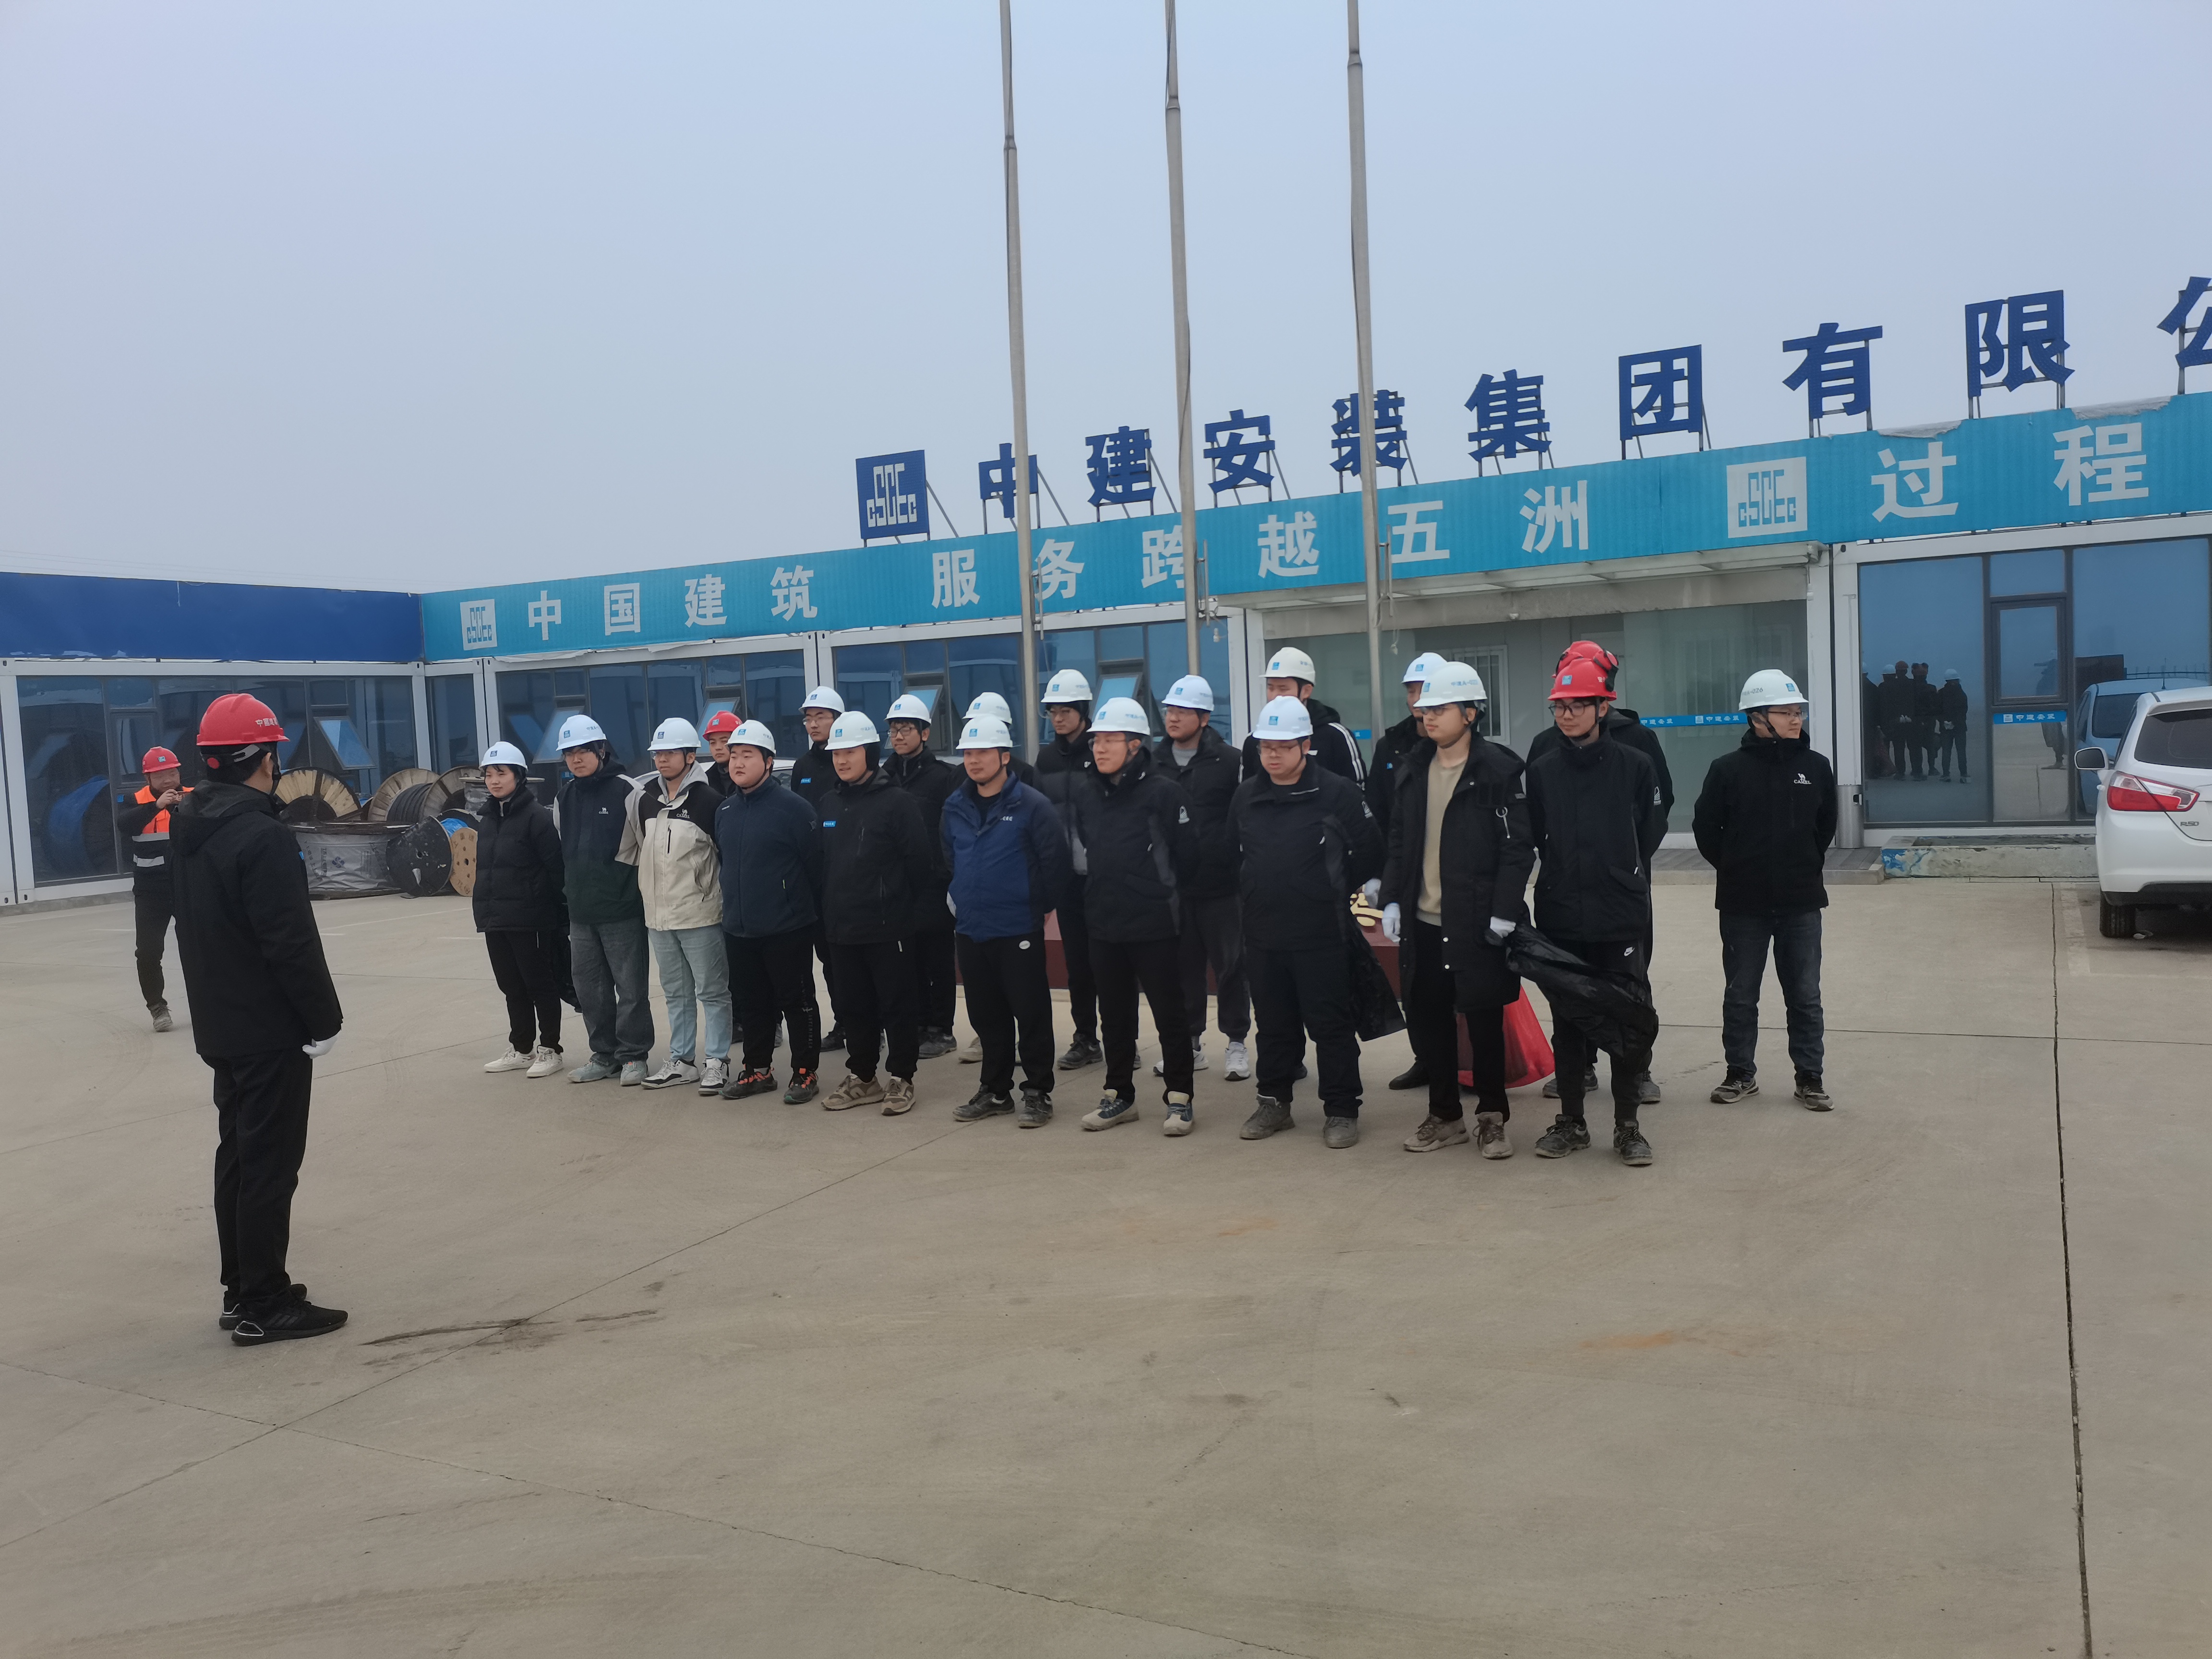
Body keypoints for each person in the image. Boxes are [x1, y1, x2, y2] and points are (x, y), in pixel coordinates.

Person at [168, 692, 347, 1345]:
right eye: (273, 753)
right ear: (261, 758)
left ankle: (242, 1288)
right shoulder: (262, 836)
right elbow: (289, 942)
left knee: (240, 1158)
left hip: (221, 1022)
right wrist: (324, 1019)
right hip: (269, 1028)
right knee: (270, 1165)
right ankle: (265, 1303)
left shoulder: (190, 826)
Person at [1374, 662, 1535, 1158]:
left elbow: (1517, 848)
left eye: (1440, 709)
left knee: (1484, 1022)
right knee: (1430, 1023)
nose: (1428, 717)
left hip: (1477, 922)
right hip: (1423, 923)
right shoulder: (1413, 769)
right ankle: (1445, 1117)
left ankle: (1492, 1118)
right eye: (1425, 709)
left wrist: (1504, 911)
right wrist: (1393, 898)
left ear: (1470, 713)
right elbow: (1399, 841)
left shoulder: (1499, 770)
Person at [1524, 661, 1669, 1167]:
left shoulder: (1635, 765)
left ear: (1603, 707)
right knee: (1568, 1022)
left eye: (1578, 705)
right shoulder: (1542, 770)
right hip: (1562, 911)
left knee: (1626, 1018)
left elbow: (1650, 830)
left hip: (1619, 912)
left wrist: (1619, 872)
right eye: (1560, 707)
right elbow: (1536, 834)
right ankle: (1572, 1122)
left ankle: (1628, 1126)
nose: (1567, 715)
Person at [1228, 696, 1383, 1148]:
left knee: (1331, 1025)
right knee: (1273, 1024)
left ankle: (1341, 1110)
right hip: (1263, 933)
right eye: (1266, 747)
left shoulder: (1337, 792)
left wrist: (1332, 889)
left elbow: (1370, 850)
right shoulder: (1246, 795)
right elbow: (1230, 853)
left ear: (1305, 745)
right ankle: (1274, 1103)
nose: (1273, 755)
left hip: (1322, 932)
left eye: (1283, 746)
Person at [1693, 671, 1838, 1111]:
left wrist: (1802, 866)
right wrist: (1736, 869)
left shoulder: (1816, 767)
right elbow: (1706, 829)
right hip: (1743, 906)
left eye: (1799, 712)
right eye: (1786, 712)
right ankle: (1740, 1073)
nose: (1796, 719)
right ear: (1758, 717)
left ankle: (1810, 1077)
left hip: (1801, 903)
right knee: (1740, 995)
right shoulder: (1727, 770)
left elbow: (1825, 826)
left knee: (1805, 996)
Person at [1067, 697, 1201, 1133]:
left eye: (1110, 740)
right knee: (1115, 1017)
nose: (1100, 748)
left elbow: (1189, 858)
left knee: (1169, 1014)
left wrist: (1160, 895)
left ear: (1135, 744)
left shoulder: (1164, 792)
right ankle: (1119, 1096)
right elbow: (1088, 846)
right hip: (1104, 922)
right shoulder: (1086, 793)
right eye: (1096, 741)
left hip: (1156, 923)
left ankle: (1179, 1098)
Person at [942, 714, 1071, 1126]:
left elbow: (1056, 864)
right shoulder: (955, 806)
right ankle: (996, 1091)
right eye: (968, 753)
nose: (973, 760)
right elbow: (950, 857)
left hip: (1018, 928)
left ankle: (1037, 1091)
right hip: (971, 928)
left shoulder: (1032, 805)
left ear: (1004, 757)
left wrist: (1035, 905)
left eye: (982, 752)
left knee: (1031, 1013)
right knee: (986, 1016)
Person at [817, 712, 940, 1114]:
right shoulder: (829, 803)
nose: (841, 760)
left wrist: (901, 911)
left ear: (869, 753)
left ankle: (901, 1077)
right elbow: (822, 865)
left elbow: (920, 865)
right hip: (842, 928)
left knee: (897, 1006)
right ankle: (863, 1077)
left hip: (890, 928)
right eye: (836, 753)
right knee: (853, 1007)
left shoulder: (897, 803)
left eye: (850, 752)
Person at [714, 719, 825, 1105]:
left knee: (798, 1002)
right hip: (739, 928)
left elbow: (815, 867)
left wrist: (797, 909)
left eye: (748, 755)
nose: (738, 763)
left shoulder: (794, 809)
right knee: (752, 1004)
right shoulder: (726, 810)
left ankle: (805, 1071)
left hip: (787, 927)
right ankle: (757, 1070)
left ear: (769, 761)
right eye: (734, 755)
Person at [1153, 673, 1251, 1083]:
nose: (1173, 718)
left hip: (1222, 885)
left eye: (1183, 711)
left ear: (1205, 717)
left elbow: (1243, 817)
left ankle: (1237, 1043)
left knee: (1231, 967)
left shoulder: (1229, 761)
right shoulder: (1154, 762)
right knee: (1184, 970)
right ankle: (1190, 1044)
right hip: (1175, 888)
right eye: (1170, 710)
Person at [551, 713, 652, 1086]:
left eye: (583, 751)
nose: (576, 759)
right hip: (581, 913)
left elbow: (649, 849)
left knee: (631, 988)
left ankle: (634, 1055)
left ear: (602, 750)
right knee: (589, 989)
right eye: (569, 753)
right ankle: (604, 1055)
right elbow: (564, 848)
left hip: (623, 910)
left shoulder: (630, 792)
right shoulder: (564, 797)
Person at [633, 718, 732, 1094]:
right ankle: (682, 1061)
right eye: (658, 753)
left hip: (700, 914)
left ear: (691, 756)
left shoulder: (710, 801)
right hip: (659, 918)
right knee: (676, 993)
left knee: (713, 992)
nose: (662, 759)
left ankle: (717, 1061)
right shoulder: (646, 799)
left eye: (670, 752)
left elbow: (724, 857)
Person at [1365, 653, 1448, 1093]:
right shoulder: (1391, 745)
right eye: (1412, 691)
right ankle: (1426, 1058)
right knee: (1413, 977)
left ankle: (1464, 1061)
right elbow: (1378, 814)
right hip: (1405, 874)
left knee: (1457, 980)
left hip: (1450, 878)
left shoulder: (1457, 744)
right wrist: (1380, 877)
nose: (1417, 699)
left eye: (1424, 689)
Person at [472, 741, 568, 1079]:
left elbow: (556, 869)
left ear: (519, 776)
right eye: (489, 775)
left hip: (531, 919)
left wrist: (557, 916)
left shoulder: (537, 818)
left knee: (540, 985)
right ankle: (522, 1048)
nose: (494, 781)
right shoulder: (486, 820)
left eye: (501, 773)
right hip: (495, 918)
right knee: (511, 986)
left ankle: (550, 1049)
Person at [882, 692, 962, 1058]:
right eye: (894, 730)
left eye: (906, 729)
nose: (898, 737)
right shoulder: (885, 777)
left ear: (925, 733)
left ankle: (941, 1030)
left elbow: (952, 830)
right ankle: (916, 1024)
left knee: (938, 959)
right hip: (898, 884)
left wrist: (949, 876)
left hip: (935, 883)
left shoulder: (943, 777)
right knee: (907, 959)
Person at [1033, 668, 1103, 1071]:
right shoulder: (1046, 758)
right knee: (1078, 965)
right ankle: (1085, 1038)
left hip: (1105, 876)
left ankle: (1122, 1039)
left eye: (1065, 711)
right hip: (1067, 879)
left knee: (1112, 964)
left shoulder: (1102, 750)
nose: (1058, 718)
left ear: (1082, 711)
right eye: (1053, 712)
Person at [115, 744, 190, 1031]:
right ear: (148, 778)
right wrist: (157, 806)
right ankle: (157, 1007)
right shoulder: (133, 800)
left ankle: (207, 1001)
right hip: (151, 890)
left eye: (172, 773)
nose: (168, 780)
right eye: (160, 775)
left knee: (201, 946)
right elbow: (125, 825)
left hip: (188, 885)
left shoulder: (195, 796)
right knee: (148, 951)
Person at [791, 686, 847, 1052]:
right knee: (827, 958)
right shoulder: (803, 767)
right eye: (809, 719)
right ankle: (843, 1023)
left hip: (846, 876)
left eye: (821, 717)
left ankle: (867, 1024)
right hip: (811, 878)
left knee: (851, 958)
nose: (813, 724)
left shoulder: (849, 760)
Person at [1238, 646, 1365, 785]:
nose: (1275, 696)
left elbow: (1356, 788)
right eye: (1270, 688)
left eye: (1283, 689)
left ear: (1306, 691)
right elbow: (1245, 791)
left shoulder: (1335, 736)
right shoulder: (1254, 739)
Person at [1875, 661, 1918, 780]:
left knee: (1898, 748)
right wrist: (1910, 716)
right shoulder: (1912, 684)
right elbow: (1914, 702)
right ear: (1906, 671)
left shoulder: (1887, 686)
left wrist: (1897, 718)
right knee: (1913, 748)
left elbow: (1887, 705)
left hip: (1895, 722)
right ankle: (1916, 771)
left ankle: (1900, 772)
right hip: (1910, 721)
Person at [1935, 668, 1971, 780]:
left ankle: (1946, 775)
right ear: (1957, 680)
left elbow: (1937, 711)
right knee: (1961, 751)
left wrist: (1944, 722)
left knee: (1946, 752)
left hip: (1945, 728)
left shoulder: (1941, 693)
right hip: (1960, 727)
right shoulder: (1962, 694)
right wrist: (1954, 723)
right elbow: (1963, 711)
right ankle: (1964, 774)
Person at [700, 709, 742, 797]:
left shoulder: (753, 779)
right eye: (713, 743)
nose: (718, 748)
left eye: (724, 741)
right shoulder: (705, 780)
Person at [1910, 663, 1940, 781]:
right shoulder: (1932, 688)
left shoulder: (1910, 688)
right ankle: (1932, 768)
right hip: (1930, 720)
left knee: (1916, 746)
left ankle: (1917, 770)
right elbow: (1936, 705)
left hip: (1915, 720)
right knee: (1930, 744)